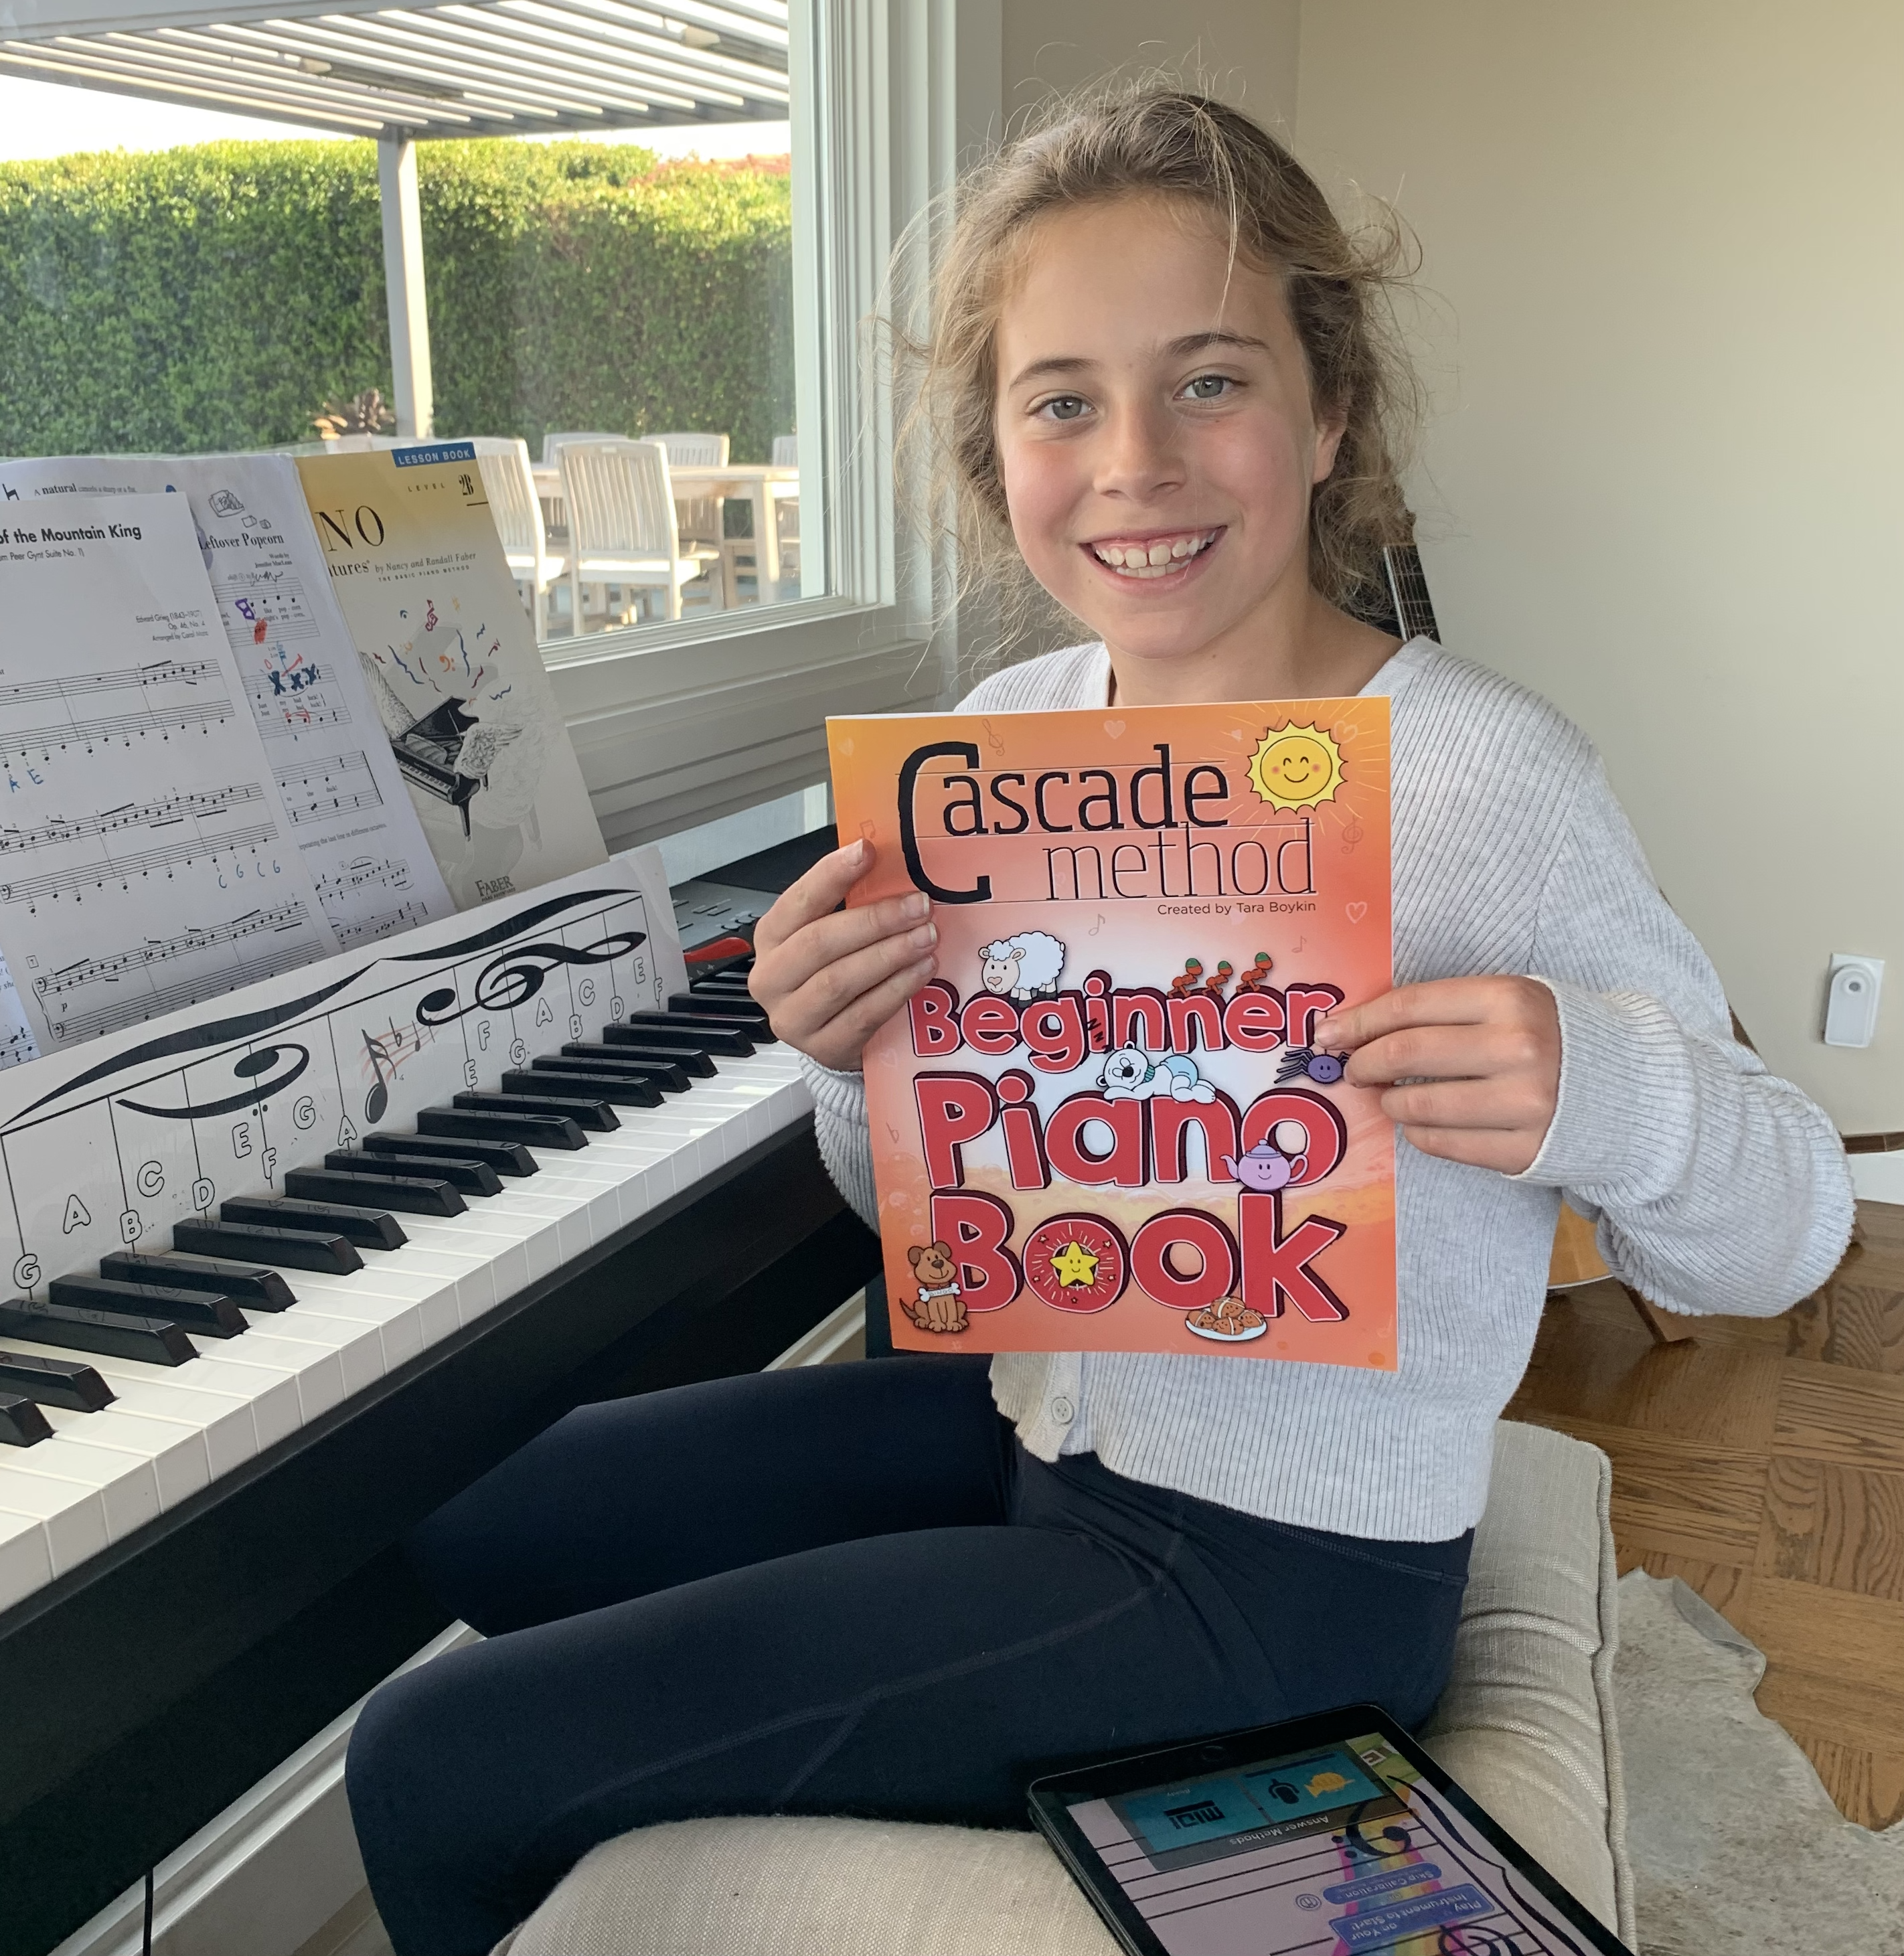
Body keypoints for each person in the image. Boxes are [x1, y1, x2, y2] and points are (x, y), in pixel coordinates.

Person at [346, 89, 1853, 1956]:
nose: (1133, 458)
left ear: (1329, 419)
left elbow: (1776, 1236)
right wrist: (851, 1058)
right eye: (1061, 398)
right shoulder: (1005, 733)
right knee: (489, 1513)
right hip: (1026, 1429)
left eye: (1208, 379)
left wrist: (1598, 1089)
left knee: (439, 1758)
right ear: (997, 457)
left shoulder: (1479, 777)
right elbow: (936, 1212)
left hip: (1283, 1576)